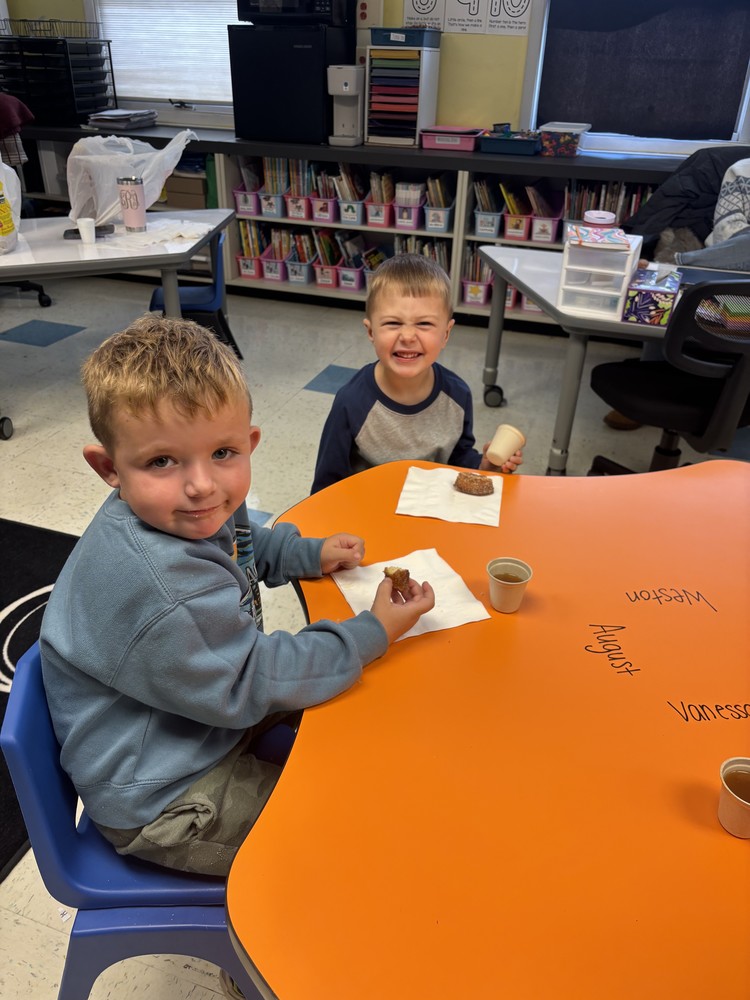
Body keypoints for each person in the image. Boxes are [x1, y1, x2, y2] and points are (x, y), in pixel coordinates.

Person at [39, 316, 435, 882]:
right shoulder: (164, 589)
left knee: (371, 722)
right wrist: (372, 630)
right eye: (161, 462)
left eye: (223, 453)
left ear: (248, 443)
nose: (204, 486)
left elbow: (241, 539)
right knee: (350, 830)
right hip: (167, 798)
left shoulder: (187, 511)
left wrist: (306, 555)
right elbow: (251, 680)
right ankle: (255, 970)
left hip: (199, 717)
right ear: (109, 469)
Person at [311, 253, 524, 494]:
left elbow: (459, 459)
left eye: (424, 324)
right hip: (370, 514)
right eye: (393, 323)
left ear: (446, 333)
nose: (408, 336)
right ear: (371, 332)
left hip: (432, 512)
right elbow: (326, 486)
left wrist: (484, 465)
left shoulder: (457, 394)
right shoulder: (350, 403)